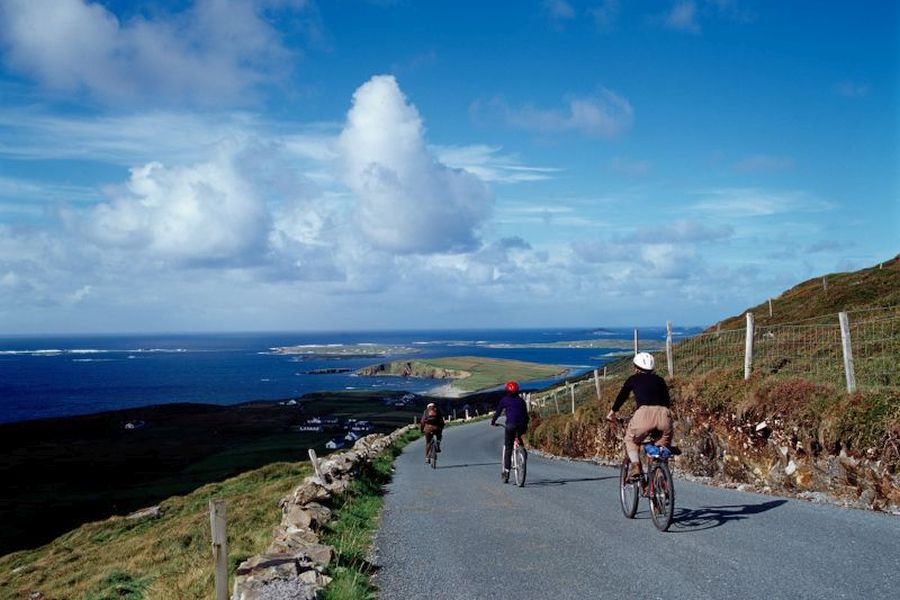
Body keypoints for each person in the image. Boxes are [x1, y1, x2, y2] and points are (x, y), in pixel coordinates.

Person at [606, 352, 673, 479]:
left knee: (630, 440)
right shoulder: (660, 380)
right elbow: (667, 401)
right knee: (661, 446)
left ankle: (636, 466)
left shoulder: (633, 379)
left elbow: (622, 396)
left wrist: (612, 412)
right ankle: (660, 478)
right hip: (664, 415)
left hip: (643, 415)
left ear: (636, 367)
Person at [491, 380, 529, 483]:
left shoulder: (504, 400)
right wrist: (525, 426)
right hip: (521, 426)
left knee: (508, 448)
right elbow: (526, 416)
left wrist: (493, 421)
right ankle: (523, 456)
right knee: (519, 440)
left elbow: (498, 412)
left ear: (507, 391)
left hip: (510, 426)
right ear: (517, 391)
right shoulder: (521, 401)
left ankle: (506, 473)